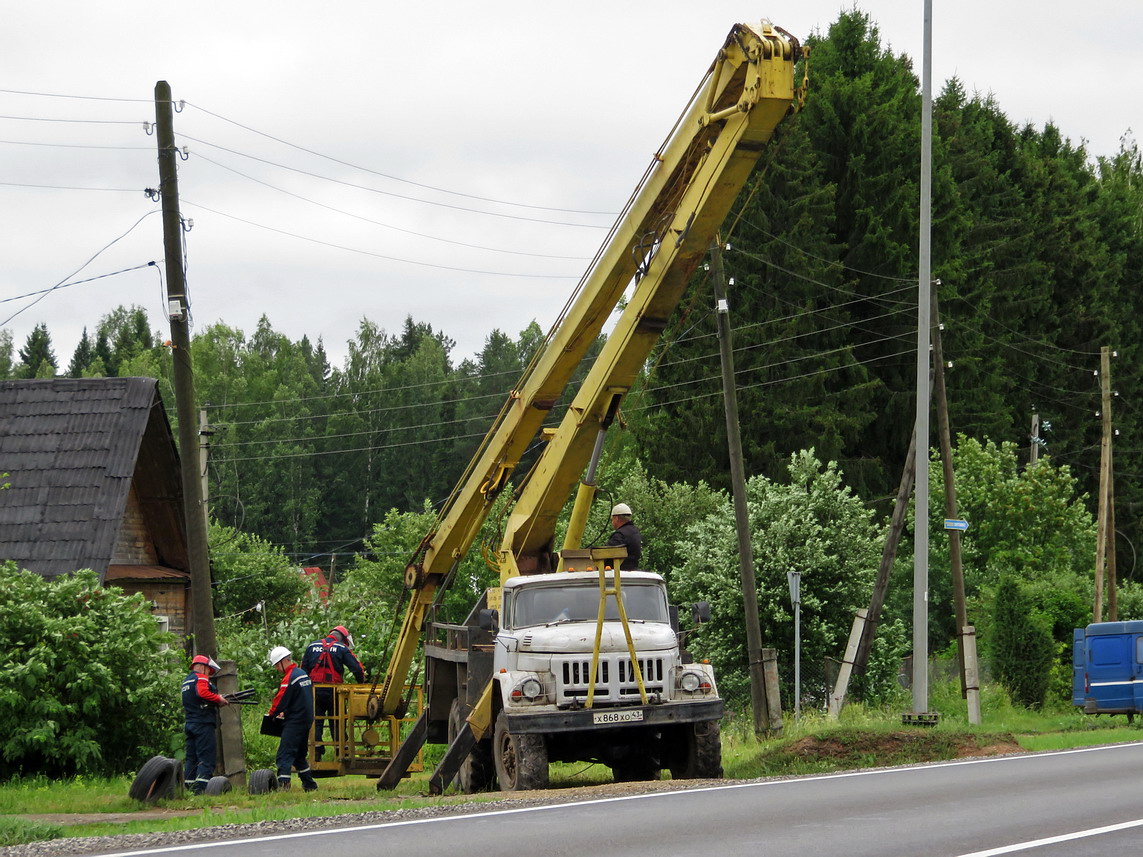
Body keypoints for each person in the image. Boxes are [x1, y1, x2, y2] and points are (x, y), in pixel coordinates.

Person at [301, 625, 365, 758]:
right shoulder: (342, 648)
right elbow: (357, 669)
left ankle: (316, 751)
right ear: (343, 638)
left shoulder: (312, 646)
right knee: (338, 720)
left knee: (315, 721)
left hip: (314, 691)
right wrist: (361, 684)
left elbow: (303, 670)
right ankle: (340, 750)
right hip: (334, 692)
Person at [266, 645, 317, 792]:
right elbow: (298, 699)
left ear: (282, 661)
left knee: (284, 755)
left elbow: (280, 700)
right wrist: (287, 711)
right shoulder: (302, 674)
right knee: (299, 756)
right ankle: (309, 785)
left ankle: (284, 786)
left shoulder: (290, 678)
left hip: (295, 722)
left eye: (276, 665)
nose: (277, 669)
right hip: (305, 720)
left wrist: (272, 714)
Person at [181, 654, 229, 795]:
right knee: (206, 758)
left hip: (190, 723)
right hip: (203, 724)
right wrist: (218, 698)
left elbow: (196, 700)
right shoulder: (200, 677)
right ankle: (201, 791)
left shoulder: (186, 681)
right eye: (208, 671)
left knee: (191, 758)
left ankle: (188, 789)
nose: (208, 674)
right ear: (202, 667)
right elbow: (203, 693)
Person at [604, 503, 643, 570]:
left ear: (616, 518)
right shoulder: (635, 532)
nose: (612, 522)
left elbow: (605, 552)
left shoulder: (620, 535)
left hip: (620, 574)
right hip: (633, 571)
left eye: (612, 519)